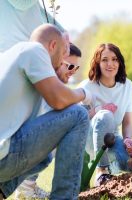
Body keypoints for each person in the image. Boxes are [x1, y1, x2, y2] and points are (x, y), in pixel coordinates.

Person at [0, 24, 92, 199]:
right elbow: (58, 100)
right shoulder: (34, 50)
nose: (64, 59)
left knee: (46, 155)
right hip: (4, 155)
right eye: (64, 52)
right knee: (78, 115)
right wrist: (83, 94)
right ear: (52, 46)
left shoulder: (10, 55)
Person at [14, 43, 82, 199]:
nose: (72, 72)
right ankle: (26, 188)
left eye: (76, 68)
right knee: (60, 134)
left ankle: (27, 186)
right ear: (58, 60)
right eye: (70, 66)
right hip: (15, 147)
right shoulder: (47, 89)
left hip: (21, 146)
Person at [79, 43, 132, 186]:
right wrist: (99, 110)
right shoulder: (86, 86)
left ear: (119, 62)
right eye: (105, 60)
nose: (110, 64)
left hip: (113, 137)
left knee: (131, 164)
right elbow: (76, 118)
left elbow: (127, 122)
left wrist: (128, 140)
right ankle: (102, 171)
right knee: (105, 115)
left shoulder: (127, 86)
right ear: (98, 63)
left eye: (114, 59)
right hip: (88, 138)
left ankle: (112, 170)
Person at [0, 0, 65, 52]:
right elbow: (21, 4)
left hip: (32, 47)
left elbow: (41, 12)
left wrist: (63, 33)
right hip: (12, 48)